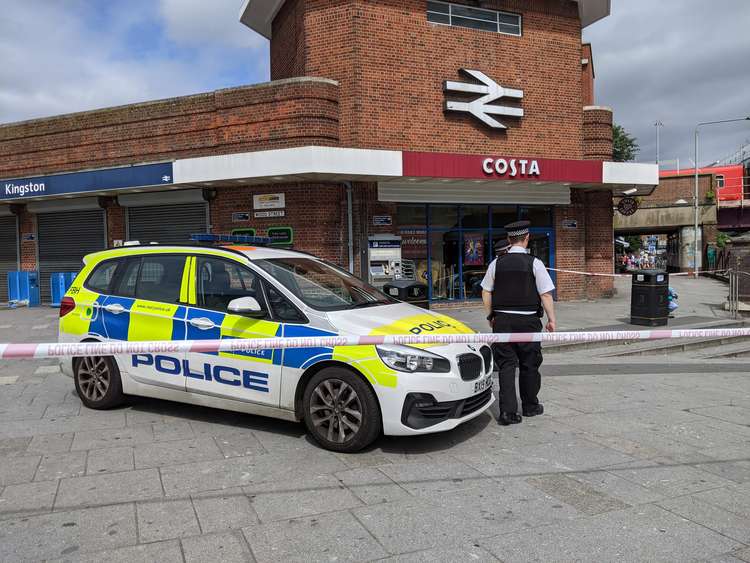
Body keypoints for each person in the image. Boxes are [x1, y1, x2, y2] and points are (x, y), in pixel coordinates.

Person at [481, 221, 556, 426]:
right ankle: (530, 406)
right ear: (527, 238)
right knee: (529, 364)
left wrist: (490, 316)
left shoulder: (496, 263)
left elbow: (486, 291)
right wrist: (551, 319)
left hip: (503, 320)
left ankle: (508, 413)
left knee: (506, 365)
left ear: (508, 240)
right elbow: (546, 295)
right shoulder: (535, 263)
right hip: (529, 321)